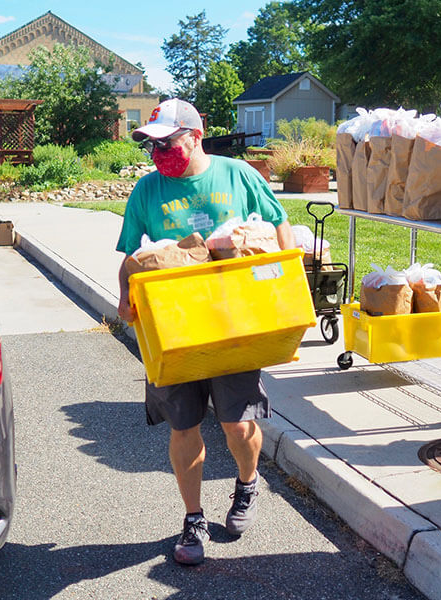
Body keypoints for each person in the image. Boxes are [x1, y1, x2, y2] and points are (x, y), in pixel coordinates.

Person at [115, 98, 295, 566]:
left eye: (167, 144)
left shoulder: (239, 175)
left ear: (196, 135)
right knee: (183, 426)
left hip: (235, 322)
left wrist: (290, 291)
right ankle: (192, 519)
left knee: (236, 424)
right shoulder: (146, 191)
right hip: (175, 329)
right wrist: (123, 296)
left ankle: (247, 482)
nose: (158, 155)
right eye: (151, 148)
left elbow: (279, 230)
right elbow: (132, 259)